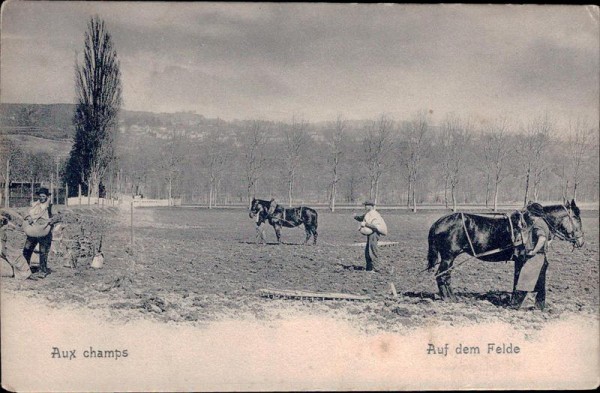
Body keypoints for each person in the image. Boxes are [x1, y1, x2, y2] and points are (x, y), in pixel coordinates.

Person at [511, 202, 551, 310]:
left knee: (524, 279)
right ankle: (539, 306)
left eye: (529, 213)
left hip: (536, 257)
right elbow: (549, 238)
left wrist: (534, 251)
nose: (528, 215)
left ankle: (515, 306)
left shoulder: (538, 224)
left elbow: (542, 238)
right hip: (542, 257)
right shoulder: (542, 223)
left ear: (533, 213)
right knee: (540, 283)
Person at [22, 187, 57, 278]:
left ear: (47, 196)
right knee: (27, 249)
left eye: (43, 196)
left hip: (44, 232)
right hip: (33, 231)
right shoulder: (34, 205)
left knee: (43, 251)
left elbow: (57, 217)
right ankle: (25, 269)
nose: (41, 198)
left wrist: (50, 221)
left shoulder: (50, 206)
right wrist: (28, 217)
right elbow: (26, 212)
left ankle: (43, 271)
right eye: (40, 196)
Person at [353, 200, 388, 272]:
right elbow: (362, 218)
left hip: (374, 234)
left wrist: (365, 224)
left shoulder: (374, 214)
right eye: (365, 205)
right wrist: (355, 217)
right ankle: (369, 268)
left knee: (372, 250)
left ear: (371, 206)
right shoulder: (368, 213)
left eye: (366, 205)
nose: (365, 207)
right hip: (370, 234)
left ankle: (376, 268)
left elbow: (375, 227)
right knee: (367, 251)